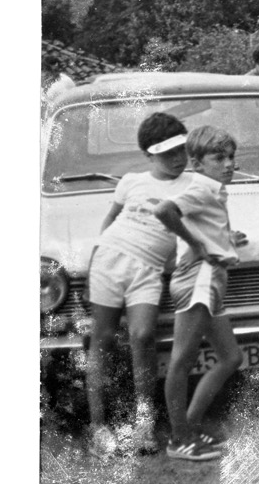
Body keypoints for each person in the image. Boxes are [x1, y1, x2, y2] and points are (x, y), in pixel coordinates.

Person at [83, 112, 190, 458]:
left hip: (149, 271)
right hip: (110, 261)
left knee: (143, 336)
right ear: (149, 155)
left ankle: (144, 423)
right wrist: (98, 256)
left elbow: (199, 230)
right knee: (101, 341)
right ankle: (98, 427)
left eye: (181, 150)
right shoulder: (131, 180)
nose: (177, 158)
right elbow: (111, 218)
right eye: (167, 153)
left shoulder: (192, 186)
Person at [154, 125, 246, 462]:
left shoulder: (215, 191)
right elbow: (164, 210)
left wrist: (226, 239)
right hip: (199, 280)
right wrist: (198, 245)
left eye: (231, 157)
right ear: (197, 163)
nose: (228, 164)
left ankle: (189, 426)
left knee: (231, 358)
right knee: (182, 360)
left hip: (212, 280)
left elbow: (201, 226)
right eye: (218, 158)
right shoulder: (203, 190)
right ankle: (180, 440)